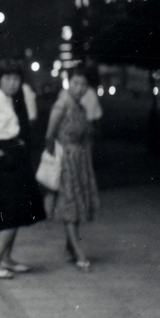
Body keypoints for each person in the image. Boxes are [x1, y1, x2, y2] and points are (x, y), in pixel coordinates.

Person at [0, 59, 46, 279]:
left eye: (16, 78)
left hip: (14, 155)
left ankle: (6, 258)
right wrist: (1, 155)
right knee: (11, 211)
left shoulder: (12, 99)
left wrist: (17, 145)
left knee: (20, 208)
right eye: (8, 78)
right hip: (1, 160)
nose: (13, 83)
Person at [44, 66, 100, 271]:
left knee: (77, 203)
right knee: (70, 207)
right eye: (75, 83)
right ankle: (78, 252)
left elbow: (87, 136)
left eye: (83, 85)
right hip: (65, 160)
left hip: (80, 161)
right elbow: (49, 136)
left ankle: (70, 246)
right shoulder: (61, 106)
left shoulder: (82, 108)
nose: (79, 88)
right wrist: (55, 161)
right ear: (69, 83)